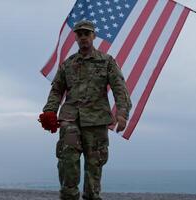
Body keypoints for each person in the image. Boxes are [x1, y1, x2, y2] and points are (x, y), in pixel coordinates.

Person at [39, 20, 132, 200]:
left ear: (93, 36)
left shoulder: (106, 62)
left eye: (87, 34)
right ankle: (68, 196)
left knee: (94, 166)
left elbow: (120, 88)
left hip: (96, 122)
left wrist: (122, 113)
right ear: (75, 37)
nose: (83, 37)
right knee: (68, 163)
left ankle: (92, 196)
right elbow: (57, 89)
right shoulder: (68, 64)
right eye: (80, 34)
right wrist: (49, 111)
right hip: (70, 121)